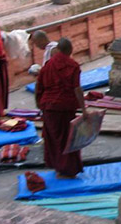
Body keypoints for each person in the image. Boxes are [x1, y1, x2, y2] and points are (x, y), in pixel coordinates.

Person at [35, 38, 85, 178]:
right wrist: (84, 110)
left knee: (54, 139)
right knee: (67, 138)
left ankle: (58, 168)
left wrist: (40, 105)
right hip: (65, 106)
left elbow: (39, 87)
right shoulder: (72, 65)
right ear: (70, 50)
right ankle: (67, 170)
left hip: (49, 107)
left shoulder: (48, 65)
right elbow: (77, 89)